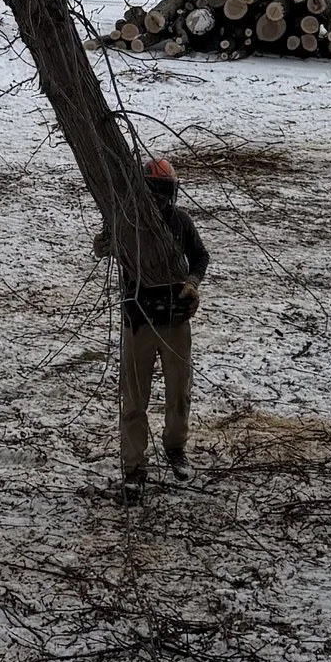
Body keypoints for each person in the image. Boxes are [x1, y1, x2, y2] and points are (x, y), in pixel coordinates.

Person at [98, 154, 210, 492]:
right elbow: (103, 247)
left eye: (165, 190)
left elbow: (200, 255)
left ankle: (175, 449)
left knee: (179, 392)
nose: (159, 198)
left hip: (176, 319)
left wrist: (192, 281)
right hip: (139, 320)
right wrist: (107, 240)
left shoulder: (181, 221)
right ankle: (134, 468)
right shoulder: (127, 221)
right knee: (134, 399)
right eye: (154, 190)